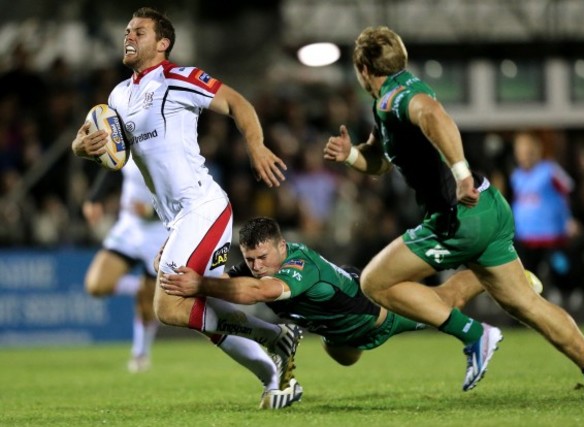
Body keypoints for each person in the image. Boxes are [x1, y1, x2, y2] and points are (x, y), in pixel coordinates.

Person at [322, 26, 584, 410]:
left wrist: (460, 173)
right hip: (487, 208)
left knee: (374, 282)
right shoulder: (395, 96)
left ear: (363, 68)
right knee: (527, 305)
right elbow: (381, 161)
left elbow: (434, 115)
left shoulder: (396, 100)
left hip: (457, 217)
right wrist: (352, 155)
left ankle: (473, 335)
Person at [71, 7, 301, 409]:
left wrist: (256, 145)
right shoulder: (118, 96)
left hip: (203, 207)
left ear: (162, 44)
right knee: (206, 312)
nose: (128, 36)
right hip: (175, 221)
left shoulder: (180, 79)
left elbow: (237, 104)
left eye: (139, 31)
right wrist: (82, 147)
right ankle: (273, 376)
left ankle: (270, 335)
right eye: (127, 30)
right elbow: (97, 143)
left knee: (168, 305)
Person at [159, 216, 503, 366]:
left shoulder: (298, 263)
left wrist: (201, 283)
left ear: (282, 246)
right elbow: (231, 283)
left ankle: (508, 276)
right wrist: (169, 258)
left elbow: (258, 292)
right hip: (343, 337)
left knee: (449, 299)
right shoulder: (252, 268)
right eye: (250, 260)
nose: (257, 266)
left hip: (381, 318)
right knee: (341, 355)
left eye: (263, 257)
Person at [82, 160, 167, 373]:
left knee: (148, 308)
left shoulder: (172, 148)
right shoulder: (129, 136)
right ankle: (140, 286)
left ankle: (140, 354)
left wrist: (150, 211)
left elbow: (189, 197)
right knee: (96, 285)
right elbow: (113, 169)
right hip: (129, 227)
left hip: (160, 231)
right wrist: (95, 198)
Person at [510, 130, 577, 299]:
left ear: (537, 150)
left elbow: (568, 191)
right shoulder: (516, 176)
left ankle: (574, 300)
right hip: (525, 238)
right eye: (520, 151)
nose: (524, 155)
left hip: (551, 237)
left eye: (527, 150)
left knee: (561, 272)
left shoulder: (550, 171)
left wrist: (569, 219)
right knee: (526, 280)